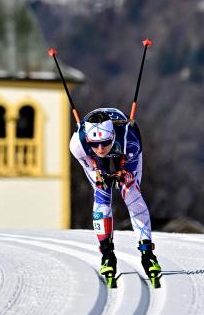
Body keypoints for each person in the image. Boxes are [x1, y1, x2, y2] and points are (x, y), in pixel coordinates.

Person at [69, 107, 161, 281]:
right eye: (95, 144)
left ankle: (147, 253)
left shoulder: (130, 140)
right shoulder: (78, 145)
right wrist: (101, 175)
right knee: (102, 191)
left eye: (105, 142)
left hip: (123, 149)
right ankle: (107, 254)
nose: (101, 148)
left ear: (112, 137)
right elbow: (96, 169)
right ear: (88, 141)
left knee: (130, 192)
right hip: (94, 156)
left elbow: (129, 174)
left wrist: (123, 175)